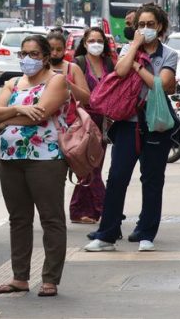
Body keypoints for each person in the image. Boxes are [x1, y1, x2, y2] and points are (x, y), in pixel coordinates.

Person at [84, 3, 180, 253]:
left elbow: (163, 85)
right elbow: (120, 70)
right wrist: (136, 48)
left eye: (150, 25)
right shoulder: (129, 48)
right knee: (117, 178)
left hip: (156, 123)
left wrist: (139, 67)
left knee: (152, 179)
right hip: (127, 123)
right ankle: (107, 233)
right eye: (140, 25)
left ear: (159, 26)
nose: (145, 29)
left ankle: (147, 233)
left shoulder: (168, 54)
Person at [0, 35, 69, 297]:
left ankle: (50, 279)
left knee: (51, 218)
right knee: (19, 219)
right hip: (11, 157)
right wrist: (23, 111)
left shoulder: (56, 80)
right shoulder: (13, 82)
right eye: (23, 53)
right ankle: (20, 277)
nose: (27, 59)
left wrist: (8, 120)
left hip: (45, 159)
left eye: (34, 54)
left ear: (46, 56)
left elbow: (43, 114)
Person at [68, 26, 114, 224]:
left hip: (104, 121)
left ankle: (82, 210)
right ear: (85, 44)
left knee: (95, 166)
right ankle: (105, 207)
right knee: (89, 167)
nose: (96, 44)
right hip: (84, 120)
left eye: (99, 40)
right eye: (91, 40)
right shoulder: (78, 63)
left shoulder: (110, 63)